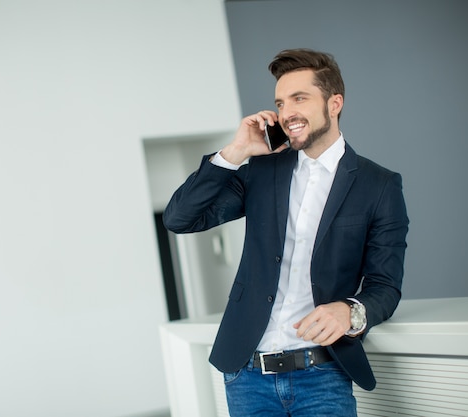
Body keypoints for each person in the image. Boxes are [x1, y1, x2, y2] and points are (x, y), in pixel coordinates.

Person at [163, 48, 409, 416]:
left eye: (299, 98)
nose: (287, 112)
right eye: (280, 102)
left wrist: (350, 311)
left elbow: (385, 285)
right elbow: (181, 218)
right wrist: (235, 151)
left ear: (334, 103)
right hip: (247, 376)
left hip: (323, 375)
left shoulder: (379, 185)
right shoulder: (262, 172)